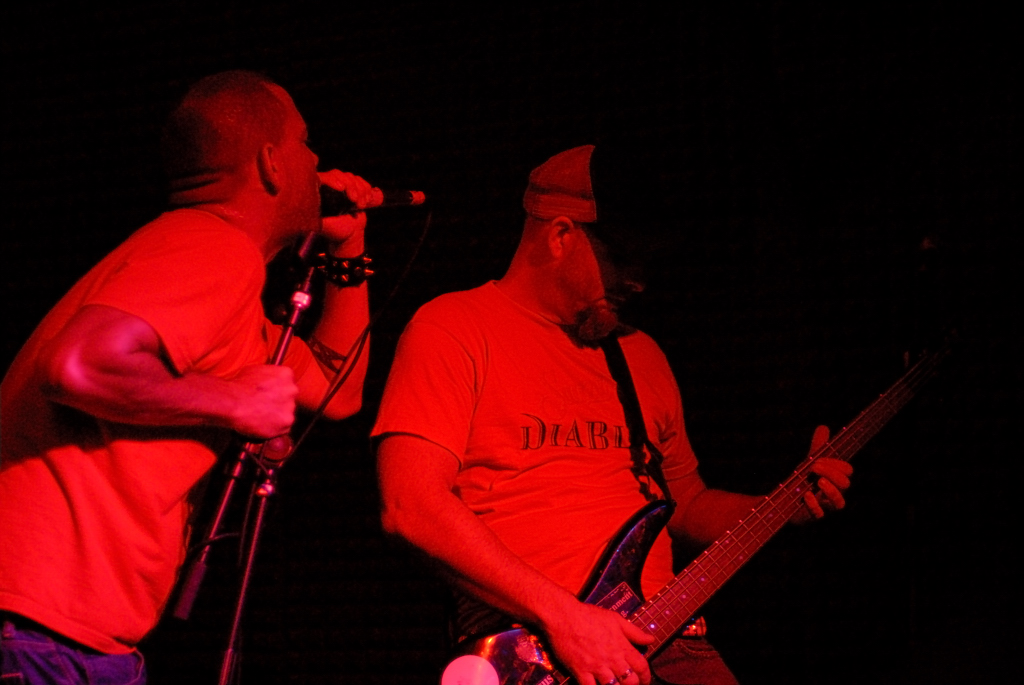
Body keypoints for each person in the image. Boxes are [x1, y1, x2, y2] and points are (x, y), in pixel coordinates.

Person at [373, 145, 853, 685]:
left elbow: (686, 504)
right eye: (623, 258)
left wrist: (784, 506)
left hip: (669, 641)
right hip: (535, 651)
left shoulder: (640, 354)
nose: (639, 280)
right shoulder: (453, 328)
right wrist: (566, 618)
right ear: (560, 235)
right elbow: (411, 506)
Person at [0, 70, 375, 685]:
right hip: (42, 635)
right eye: (306, 142)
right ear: (271, 163)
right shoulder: (211, 247)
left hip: (72, 639)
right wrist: (232, 402)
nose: (317, 161)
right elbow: (79, 363)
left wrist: (349, 253)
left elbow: (340, 392)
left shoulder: (205, 274)